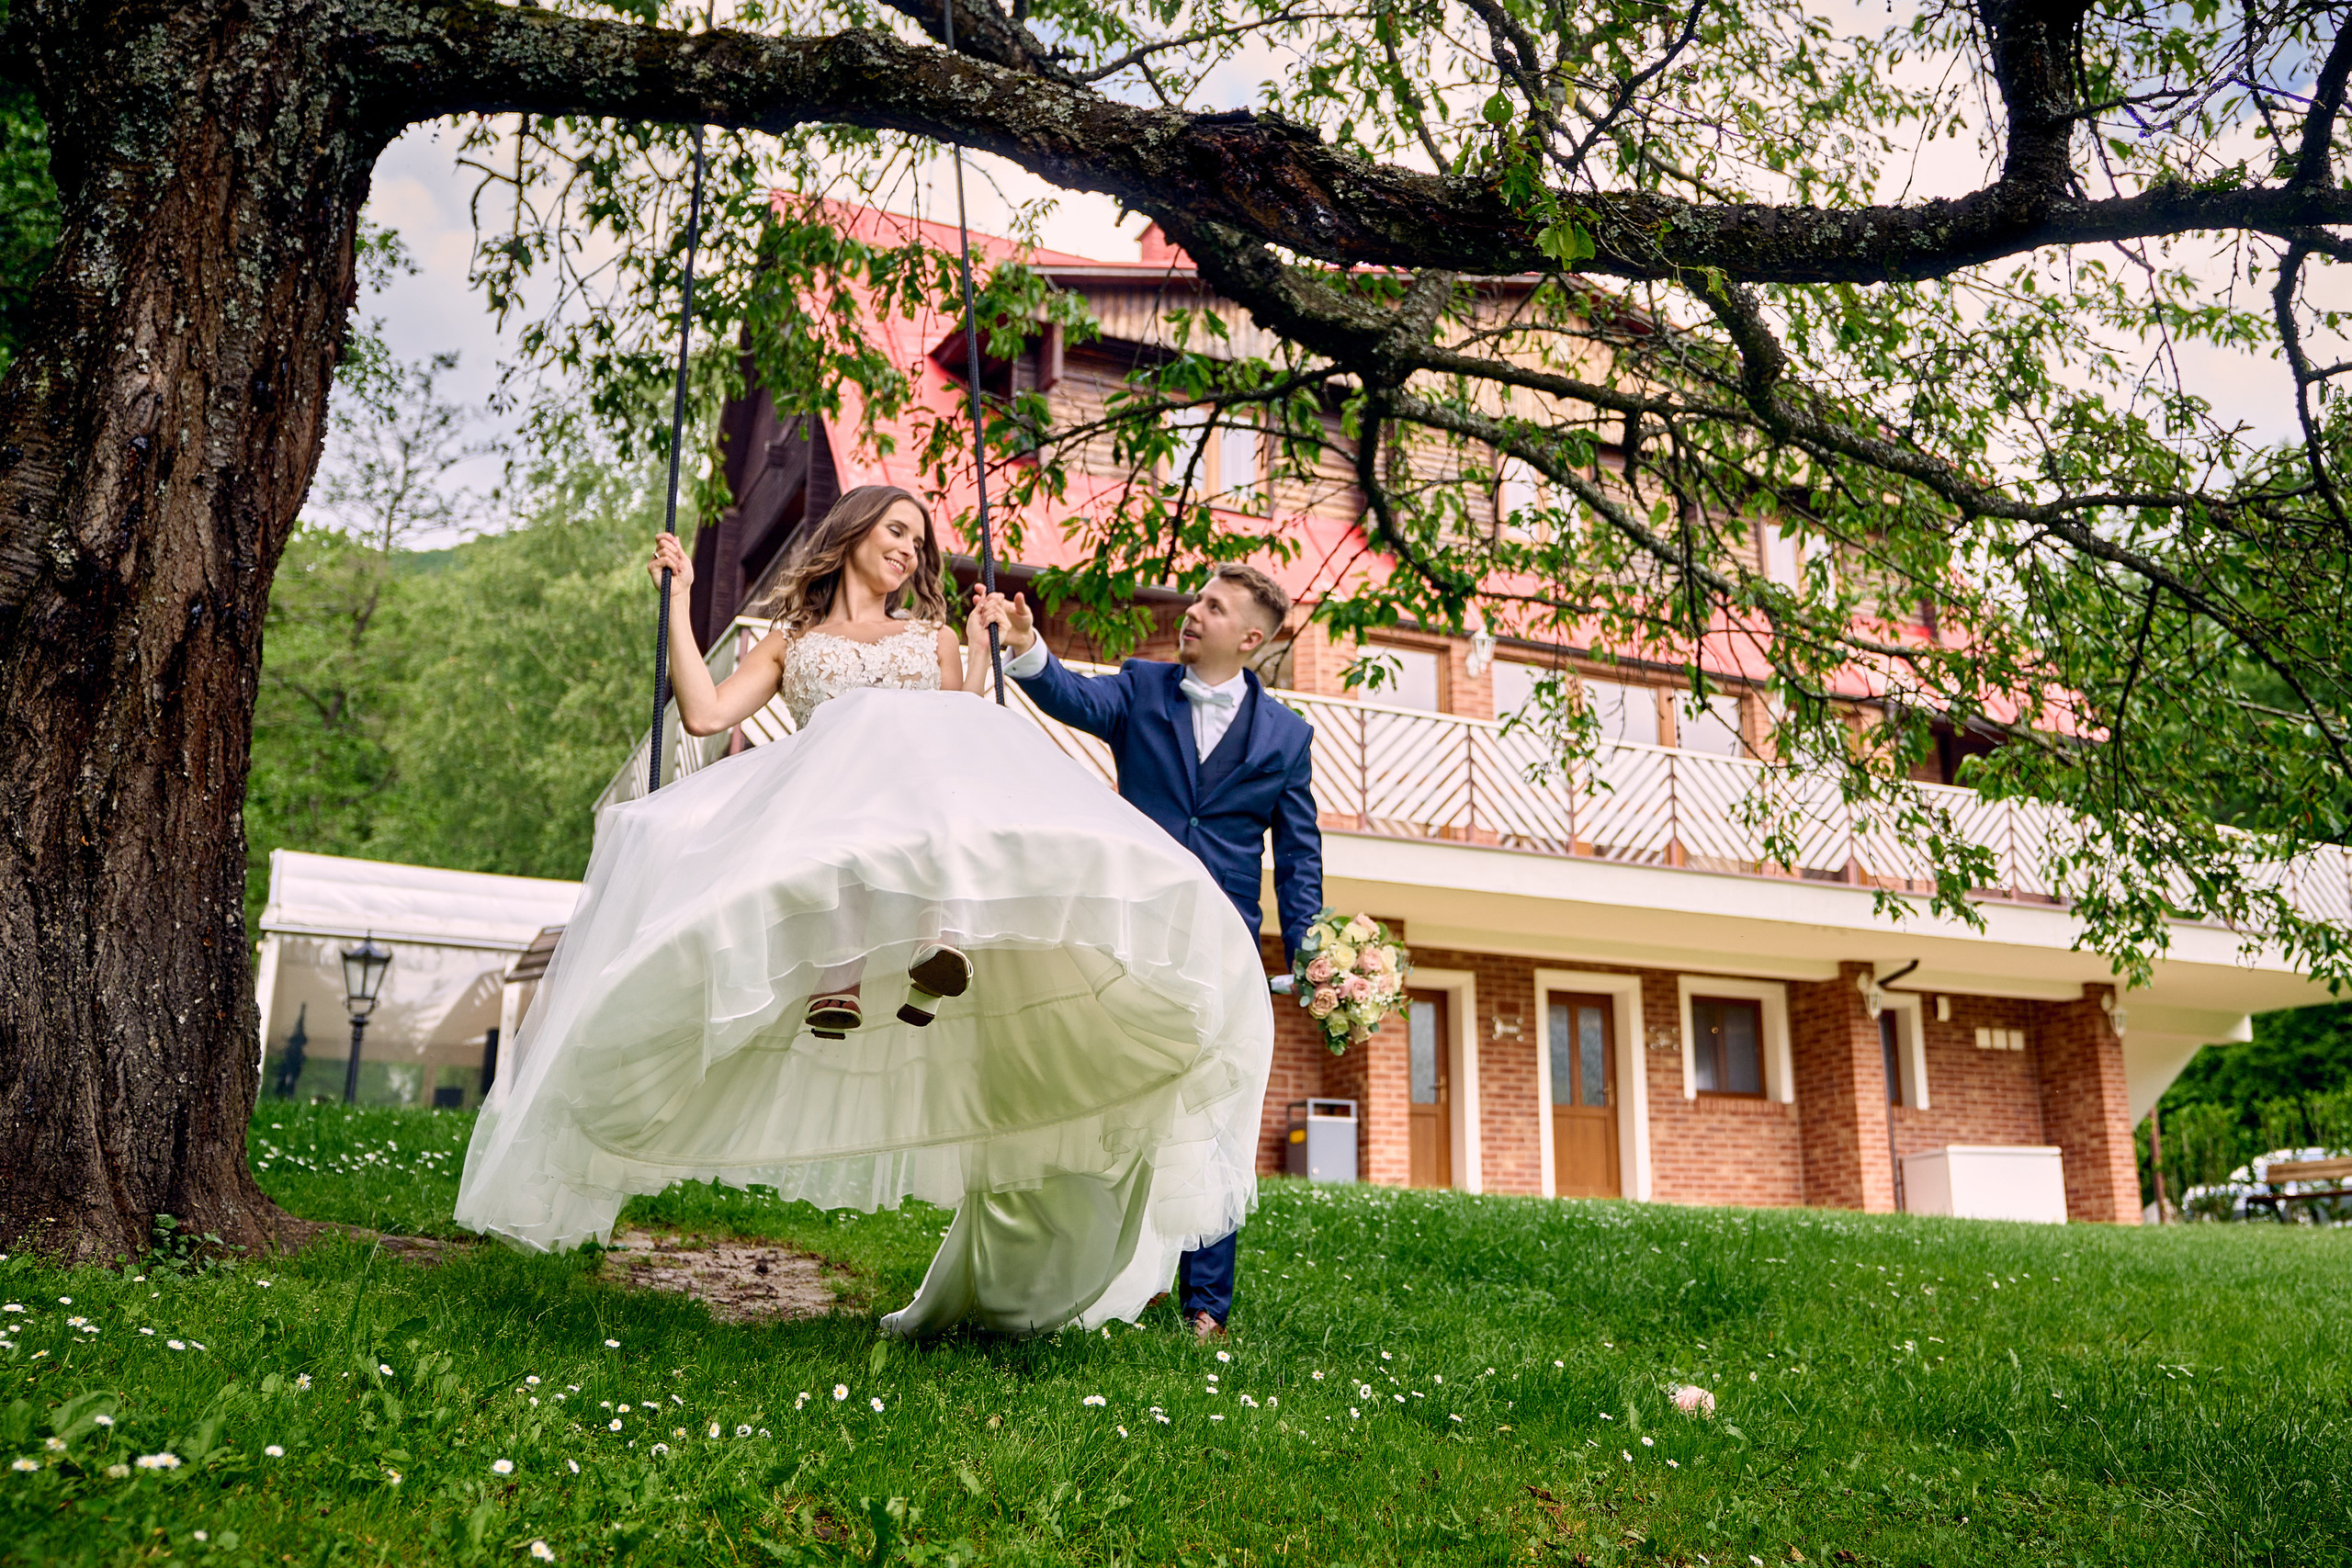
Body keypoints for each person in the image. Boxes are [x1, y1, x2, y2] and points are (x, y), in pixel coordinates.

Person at [454, 486, 1274, 1340]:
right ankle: (844, 975)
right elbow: (705, 712)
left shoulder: (933, 638)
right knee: (853, 782)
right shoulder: (792, 641)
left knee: (925, 764)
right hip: (835, 813)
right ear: (850, 533)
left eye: (919, 542)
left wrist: (986, 650)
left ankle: (936, 947)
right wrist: (680, 603)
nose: (910, 550)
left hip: (923, 815)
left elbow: (968, 736)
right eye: (896, 530)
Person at [978, 562, 1323, 1340]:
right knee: (1114, 1098)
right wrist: (1028, 647)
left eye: (1214, 606)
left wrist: (1310, 950)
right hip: (1132, 928)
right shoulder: (1140, 687)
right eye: (1197, 598)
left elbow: (1299, 857)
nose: (1192, 611)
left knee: (1214, 1113)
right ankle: (1100, 1268)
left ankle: (1207, 1306)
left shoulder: (1288, 736)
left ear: (1251, 637)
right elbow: (1072, 696)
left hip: (1223, 942)